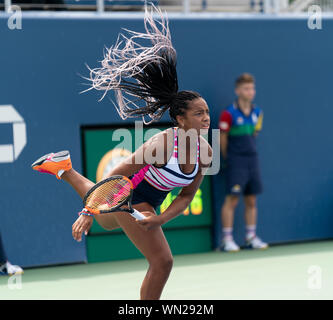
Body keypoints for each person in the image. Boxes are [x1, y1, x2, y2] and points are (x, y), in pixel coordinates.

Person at [31, 6, 212, 300]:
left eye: (207, 113)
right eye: (198, 113)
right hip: (129, 195)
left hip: (148, 204)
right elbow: (116, 175)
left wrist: (160, 219)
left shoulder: (205, 151)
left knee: (107, 221)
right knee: (162, 261)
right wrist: (88, 210)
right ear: (180, 119)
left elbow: (187, 196)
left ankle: (63, 168)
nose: (206, 118)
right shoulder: (162, 145)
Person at [218, 73, 268, 252]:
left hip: (252, 160)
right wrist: (228, 158)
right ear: (238, 91)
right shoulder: (228, 114)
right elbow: (222, 139)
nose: (250, 91)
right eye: (246, 88)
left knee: (252, 200)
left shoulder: (257, 112)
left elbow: (254, 134)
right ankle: (227, 239)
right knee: (232, 200)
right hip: (235, 160)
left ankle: (250, 237)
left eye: (252, 88)